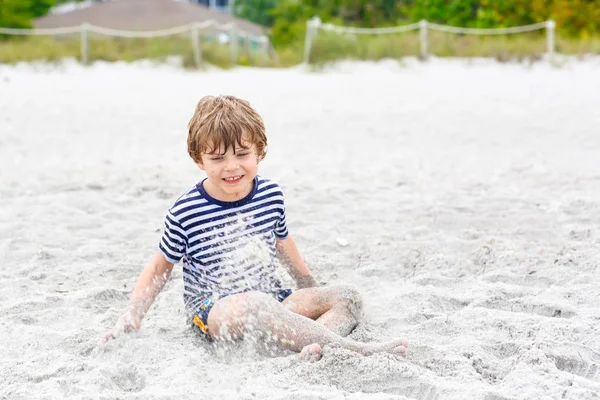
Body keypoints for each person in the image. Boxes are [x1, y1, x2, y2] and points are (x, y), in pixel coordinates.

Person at [101, 95, 408, 362]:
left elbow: (283, 243)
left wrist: (309, 287)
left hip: (274, 299)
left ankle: (316, 344)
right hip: (214, 312)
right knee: (255, 304)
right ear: (199, 159)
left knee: (348, 296)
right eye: (218, 158)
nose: (232, 167)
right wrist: (133, 316)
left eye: (242, 154)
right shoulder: (186, 209)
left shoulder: (270, 194)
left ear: (260, 151)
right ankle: (350, 349)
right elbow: (159, 266)